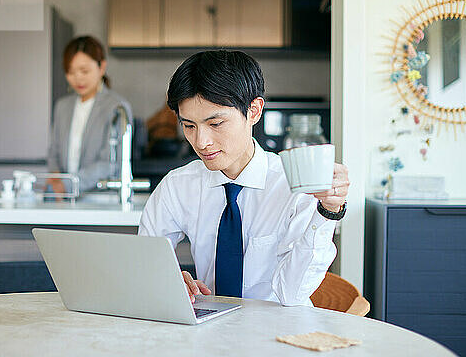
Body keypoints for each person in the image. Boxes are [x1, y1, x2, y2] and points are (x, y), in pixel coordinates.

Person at [138, 50, 349, 306]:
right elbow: (145, 266)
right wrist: (167, 278)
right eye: (189, 126)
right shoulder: (178, 185)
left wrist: (328, 212)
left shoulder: (294, 183)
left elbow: (292, 293)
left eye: (215, 124)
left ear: (254, 111)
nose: (201, 142)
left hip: (279, 331)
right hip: (210, 331)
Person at [47, 36, 132, 193]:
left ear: (101, 67)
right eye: (70, 72)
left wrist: (67, 185)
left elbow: (110, 163)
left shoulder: (116, 107)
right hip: (65, 199)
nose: (77, 78)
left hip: (100, 198)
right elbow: (54, 153)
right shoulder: (62, 106)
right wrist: (56, 181)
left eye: (84, 71)